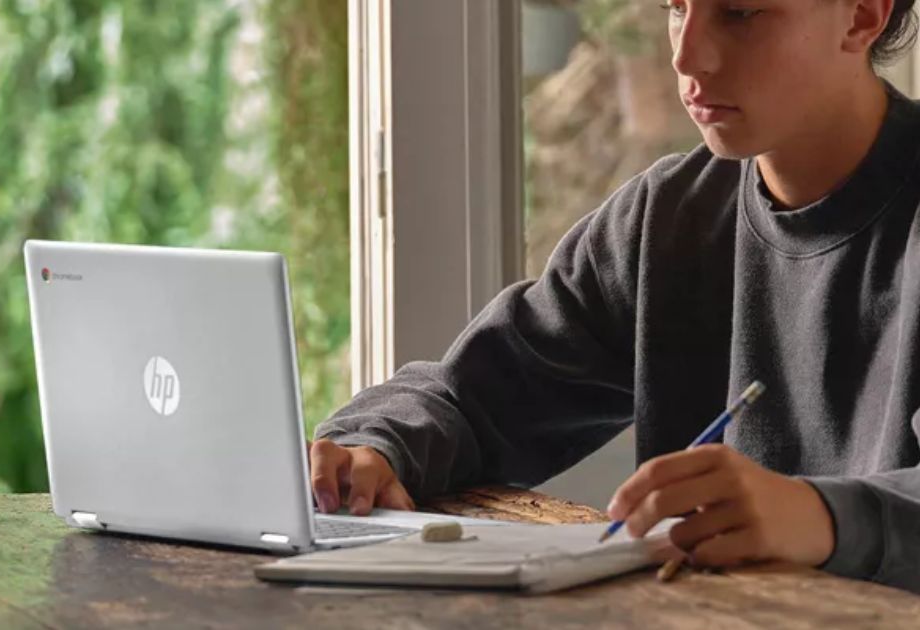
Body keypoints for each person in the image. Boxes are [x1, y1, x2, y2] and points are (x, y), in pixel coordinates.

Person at [310, 0, 920, 592]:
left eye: (739, 13)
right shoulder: (667, 219)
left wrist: (819, 516)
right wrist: (377, 444)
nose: (688, 56)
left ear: (863, 14)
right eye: (676, 8)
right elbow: (476, 395)